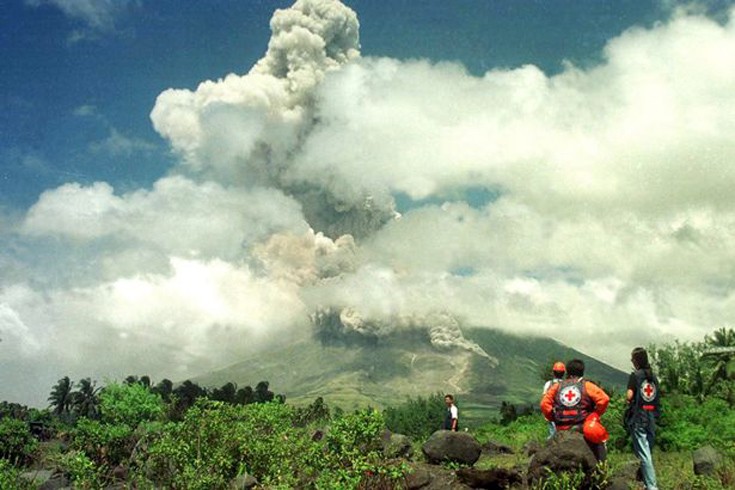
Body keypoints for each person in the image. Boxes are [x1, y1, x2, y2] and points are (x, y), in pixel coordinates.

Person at [540, 359, 610, 461]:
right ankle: (602, 465)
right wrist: (595, 414)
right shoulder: (587, 386)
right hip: (582, 426)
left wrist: (553, 417)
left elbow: (544, 404)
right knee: (600, 438)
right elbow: (604, 399)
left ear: (567, 372)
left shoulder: (556, 387)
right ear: (582, 372)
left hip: (561, 428)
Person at [625, 347, 660, 490]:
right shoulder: (654, 377)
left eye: (632, 359)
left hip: (639, 417)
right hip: (652, 416)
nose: (632, 362)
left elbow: (629, 396)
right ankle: (647, 483)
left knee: (644, 453)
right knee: (648, 451)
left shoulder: (635, 376)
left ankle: (652, 486)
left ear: (636, 360)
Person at [542, 361, 566, 439]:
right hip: (564, 413)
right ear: (564, 373)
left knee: (553, 433)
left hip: (551, 412)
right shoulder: (567, 384)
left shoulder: (548, 384)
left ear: (553, 372)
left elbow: (544, 399)